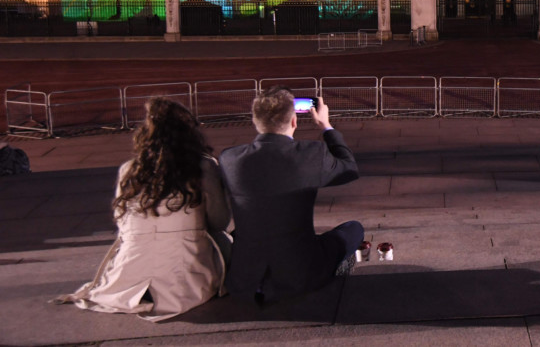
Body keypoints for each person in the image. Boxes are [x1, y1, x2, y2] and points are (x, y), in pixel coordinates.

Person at [54, 98, 231, 321]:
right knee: (225, 240)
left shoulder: (128, 170)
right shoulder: (203, 166)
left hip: (130, 265)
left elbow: (122, 222)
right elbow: (219, 221)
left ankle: (139, 290)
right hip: (185, 271)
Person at [219, 86, 363, 304]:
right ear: (294, 121)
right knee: (354, 229)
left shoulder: (229, 158)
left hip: (243, 279)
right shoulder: (311, 154)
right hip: (301, 273)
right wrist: (326, 126)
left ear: (256, 121)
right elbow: (349, 168)